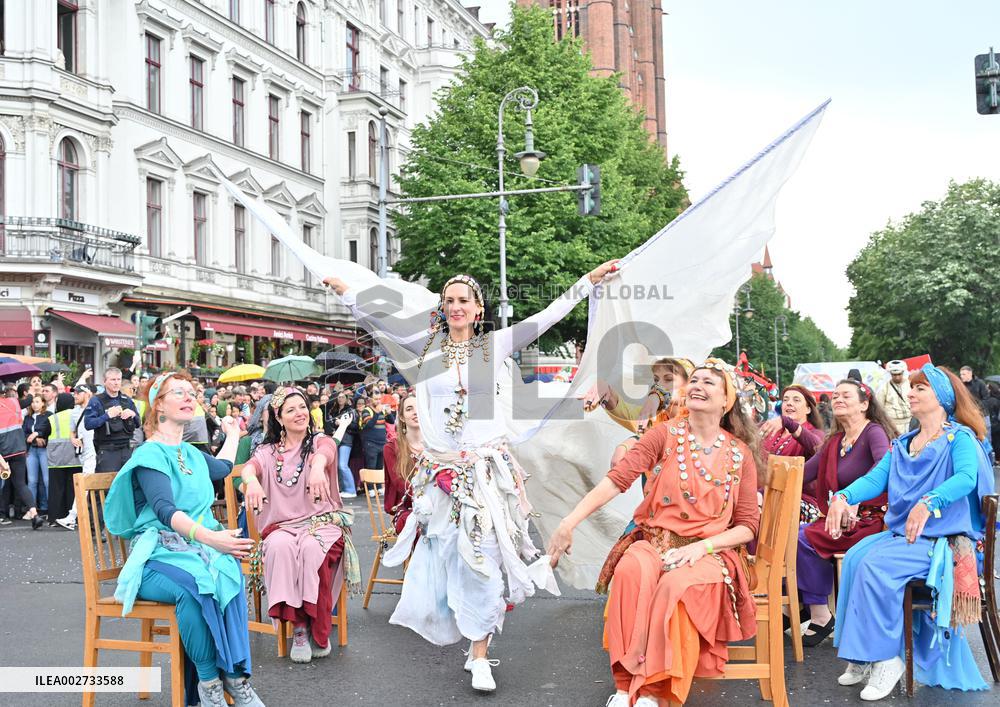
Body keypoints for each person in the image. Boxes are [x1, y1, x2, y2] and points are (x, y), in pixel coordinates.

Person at [325, 259, 617, 693]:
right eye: (449, 301)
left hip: (484, 473)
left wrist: (585, 282)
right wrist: (345, 290)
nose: (456, 307)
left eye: (463, 300)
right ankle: (472, 634)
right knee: (451, 560)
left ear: (478, 309)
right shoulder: (427, 349)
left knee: (482, 559)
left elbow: (547, 316)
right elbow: (377, 319)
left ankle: (480, 654)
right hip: (441, 476)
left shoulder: (493, 347)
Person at [548, 359, 761, 706]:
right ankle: (624, 684)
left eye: (709, 382)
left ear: (727, 400)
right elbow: (618, 480)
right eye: (694, 380)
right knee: (632, 569)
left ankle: (654, 691)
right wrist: (568, 522)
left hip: (710, 553)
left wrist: (703, 547)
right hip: (656, 541)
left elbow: (746, 526)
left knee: (675, 585)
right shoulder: (663, 434)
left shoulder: (739, 455)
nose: (698, 385)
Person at [828, 365, 994, 700]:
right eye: (912, 388)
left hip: (942, 540)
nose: (912, 393)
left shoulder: (958, 438)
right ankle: (862, 656)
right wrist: (842, 497)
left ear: (943, 397)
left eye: (921, 388)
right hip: (906, 535)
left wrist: (929, 501)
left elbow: (966, 478)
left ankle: (888, 658)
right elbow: (876, 479)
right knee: (857, 558)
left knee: (876, 566)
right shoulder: (903, 443)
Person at [103, 372, 264, 707]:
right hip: (157, 558)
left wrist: (233, 433)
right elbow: (164, 510)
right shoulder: (150, 454)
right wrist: (212, 538)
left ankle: (235, 678)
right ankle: (209, 686)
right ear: (158, 405)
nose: (191, 396)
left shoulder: (189, 453)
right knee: (196, 586)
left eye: (192, 392)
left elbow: (221, 467)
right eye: (179, 392)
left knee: (227, 572)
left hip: (194, 550)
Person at [240, 387, 359, 664]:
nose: (299, 413)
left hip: (321, 524)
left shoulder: (319, 441)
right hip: (281, 528)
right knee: (280, 546)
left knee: (309, 547)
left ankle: (318, 629)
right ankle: (299, 629)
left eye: (303, 407)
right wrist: (253, 481)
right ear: (279, 418)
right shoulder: (268, 452)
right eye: (291, 409)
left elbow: (327, 452)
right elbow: (248, 468)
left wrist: (318, 467)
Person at [794, 379, 898, 646]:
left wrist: (854, 498)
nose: (837, 399)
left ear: (865, 404)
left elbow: (883, 470)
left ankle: (819, 615)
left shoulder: (873, 432)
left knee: (803, 538)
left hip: (868, 519)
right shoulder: (835, 441)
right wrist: (757, 480)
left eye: (846, 396)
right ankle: (801, 608)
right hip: (838, 518)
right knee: (789, 535)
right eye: (835, 395)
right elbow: (802, 474)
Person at [55, 385, 97, 531]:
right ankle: (79, 518)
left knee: (85, 484)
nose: (75, 396)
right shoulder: (74, 412)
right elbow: (72, 431)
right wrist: (73, 439)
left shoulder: (96, 408)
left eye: (78, 393)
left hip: (95, 452)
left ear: (86, 394)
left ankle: (72, 517)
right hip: (83, 453)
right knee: (88, 486)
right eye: (74, 393)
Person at [84, 367, 140, 472]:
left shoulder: (127, 400)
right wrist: (107, 416)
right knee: (107, 485)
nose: (116, 383)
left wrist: (132, 414)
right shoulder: (96, 401)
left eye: (118, 379)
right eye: (113, 380)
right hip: (107, 451)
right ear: (105, 382)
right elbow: (88, 424)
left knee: (128, 484)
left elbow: (138, 424)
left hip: (126, 449)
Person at [0, 394, 42, 528]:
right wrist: (30, 393)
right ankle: (35, 514)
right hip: (19, 448)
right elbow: (28, 401)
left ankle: (2, 514)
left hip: (3, 452)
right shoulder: (13, 401)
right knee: (20, 484)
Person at [383, 394, 422, 534]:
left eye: (419, 407)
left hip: (437, 506)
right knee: (420, 525)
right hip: (406, 509)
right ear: (401, 417)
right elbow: (400, 483)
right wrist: (426, 499)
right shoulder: (392, 448)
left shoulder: (434, 446)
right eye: (409, 409)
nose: (416, 412)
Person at [45, 393, 80, 527]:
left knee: (56, 489)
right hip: (75, 457)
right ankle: (73, 517)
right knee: (73, 489)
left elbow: (44, 432)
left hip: (57, 458)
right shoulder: (77, 414)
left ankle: (55, 517)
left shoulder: (53, 418)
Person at [23, 393, 52, 519]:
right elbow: (24, 434)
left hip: (44, 450)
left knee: (47, 480)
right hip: (31, 451)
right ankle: (32, 510)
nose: (34, 404)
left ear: (43, 403)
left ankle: (51, 509)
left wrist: (36, 433)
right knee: (32, 481)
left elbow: (47, 429)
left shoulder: (48, 415)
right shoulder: (28, 418)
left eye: (37, 401)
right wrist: (34, 439)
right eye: (33, 402)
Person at [327, 392, 358, 499]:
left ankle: (351, 490)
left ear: (346, 398)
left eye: (342, 397)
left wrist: (344, 424)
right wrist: (335, 423)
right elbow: (329, 424)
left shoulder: (351, 410)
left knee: (342, 465)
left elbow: (355, 426)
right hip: (336, 439)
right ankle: (343, 489)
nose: (340, 399)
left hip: (346, 439)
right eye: (338, 397)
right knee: (336, 465)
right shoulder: (334, 410)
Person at [877, 360, 912, 436]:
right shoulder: (884, 387)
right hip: (894, 424)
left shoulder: (910, 385)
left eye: (899, 374)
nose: (897, 377)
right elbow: (879, 408)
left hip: (911, 422)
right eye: (894, 375)